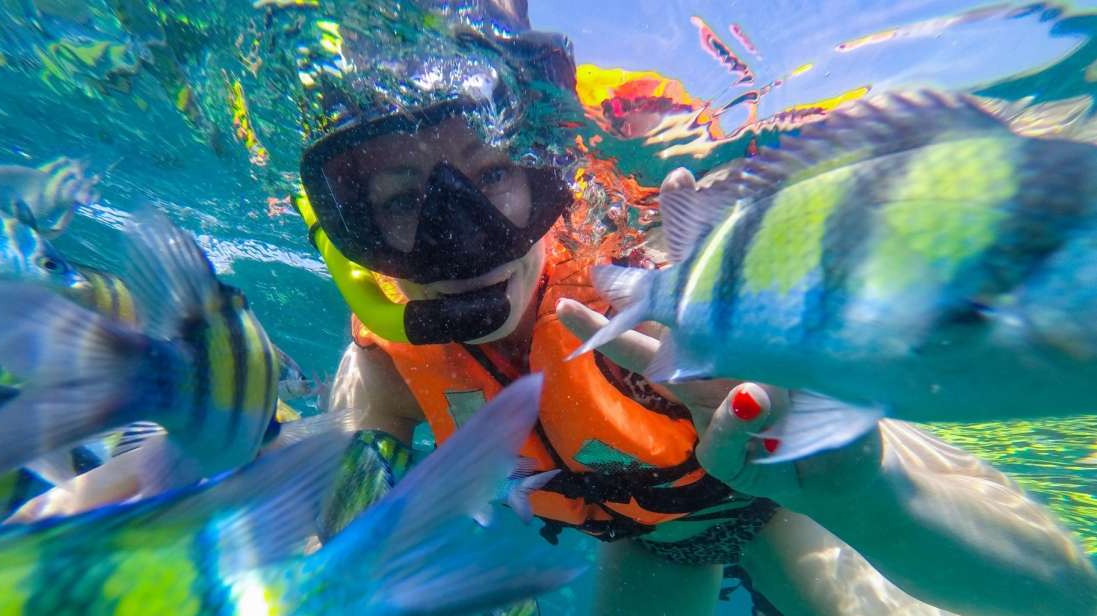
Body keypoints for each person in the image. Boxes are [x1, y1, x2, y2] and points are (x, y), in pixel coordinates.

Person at [294, 6, 1097, 615]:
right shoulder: (383, 359)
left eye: (493, 173)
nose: (457, 235)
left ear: (545, 169)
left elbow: (1063, 596)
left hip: (771, 498)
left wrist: (851, 490)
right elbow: (341, 527)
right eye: (399, 200)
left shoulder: (651, 268)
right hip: (651, 545)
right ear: (348, 232)